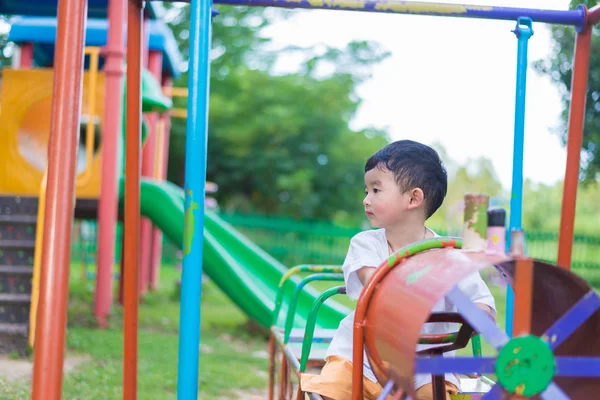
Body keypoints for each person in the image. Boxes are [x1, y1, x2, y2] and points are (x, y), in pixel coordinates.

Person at [301, 140, 496, 400]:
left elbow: (482, 302)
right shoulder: (366, 244)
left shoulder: (451, 256)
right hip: (362, 357)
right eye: (367, 190)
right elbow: (375, 285)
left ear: (413, 198)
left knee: (434, 395)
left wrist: (475, 318)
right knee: (332, 389)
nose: (366, 199)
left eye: (376, 190)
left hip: (425, 366)